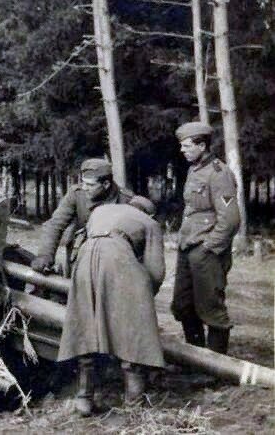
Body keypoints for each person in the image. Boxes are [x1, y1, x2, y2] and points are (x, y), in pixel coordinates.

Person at [58, 197, 165, 415]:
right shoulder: (149, 223)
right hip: (118, 256)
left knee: (87, 325)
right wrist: (141, 298)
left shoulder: (101, 210)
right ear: (148, 213)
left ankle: (84, 399)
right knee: (132, 328)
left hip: (85, 259)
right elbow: (156, 272)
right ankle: (134, 403)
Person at [171, 121, 239, 354]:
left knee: (211, 308)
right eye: (181, 145)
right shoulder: (194, 169)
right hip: (187, 246)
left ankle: (216, 366)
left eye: (187, 145)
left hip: (206, 251)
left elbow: (230, 219)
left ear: (202, 145)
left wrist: (209, 248)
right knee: (182, 305)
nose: (182, 150)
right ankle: (197, 357)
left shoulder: (220, 174)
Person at [32, 158, 133, 276]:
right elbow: (54, 225)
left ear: (106, 184)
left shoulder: (126, 201)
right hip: (80, 254)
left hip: (112, 259)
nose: (84, 187)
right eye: (83, 182)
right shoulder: (77, 194)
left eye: (90, 184)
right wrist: (45, 255)